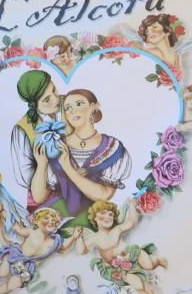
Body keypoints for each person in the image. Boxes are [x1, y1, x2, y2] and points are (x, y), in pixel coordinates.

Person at [45, 88, 132, 229]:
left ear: (92, 107)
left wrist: (67, 167)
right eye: (68, 108)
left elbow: (103, 195)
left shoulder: (112, 147)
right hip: (56, 219)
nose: (72, 111)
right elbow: (41, 196)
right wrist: (42, 163)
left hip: (96, 220)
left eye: (79, 104)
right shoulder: (57, 144)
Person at [9, 70, 63, 211]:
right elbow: (25, 176)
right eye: (46, 99)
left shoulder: (70, 104)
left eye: (54, 91)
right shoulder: (22, 129)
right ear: (34, 104)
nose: (56, 99)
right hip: (45, 199)